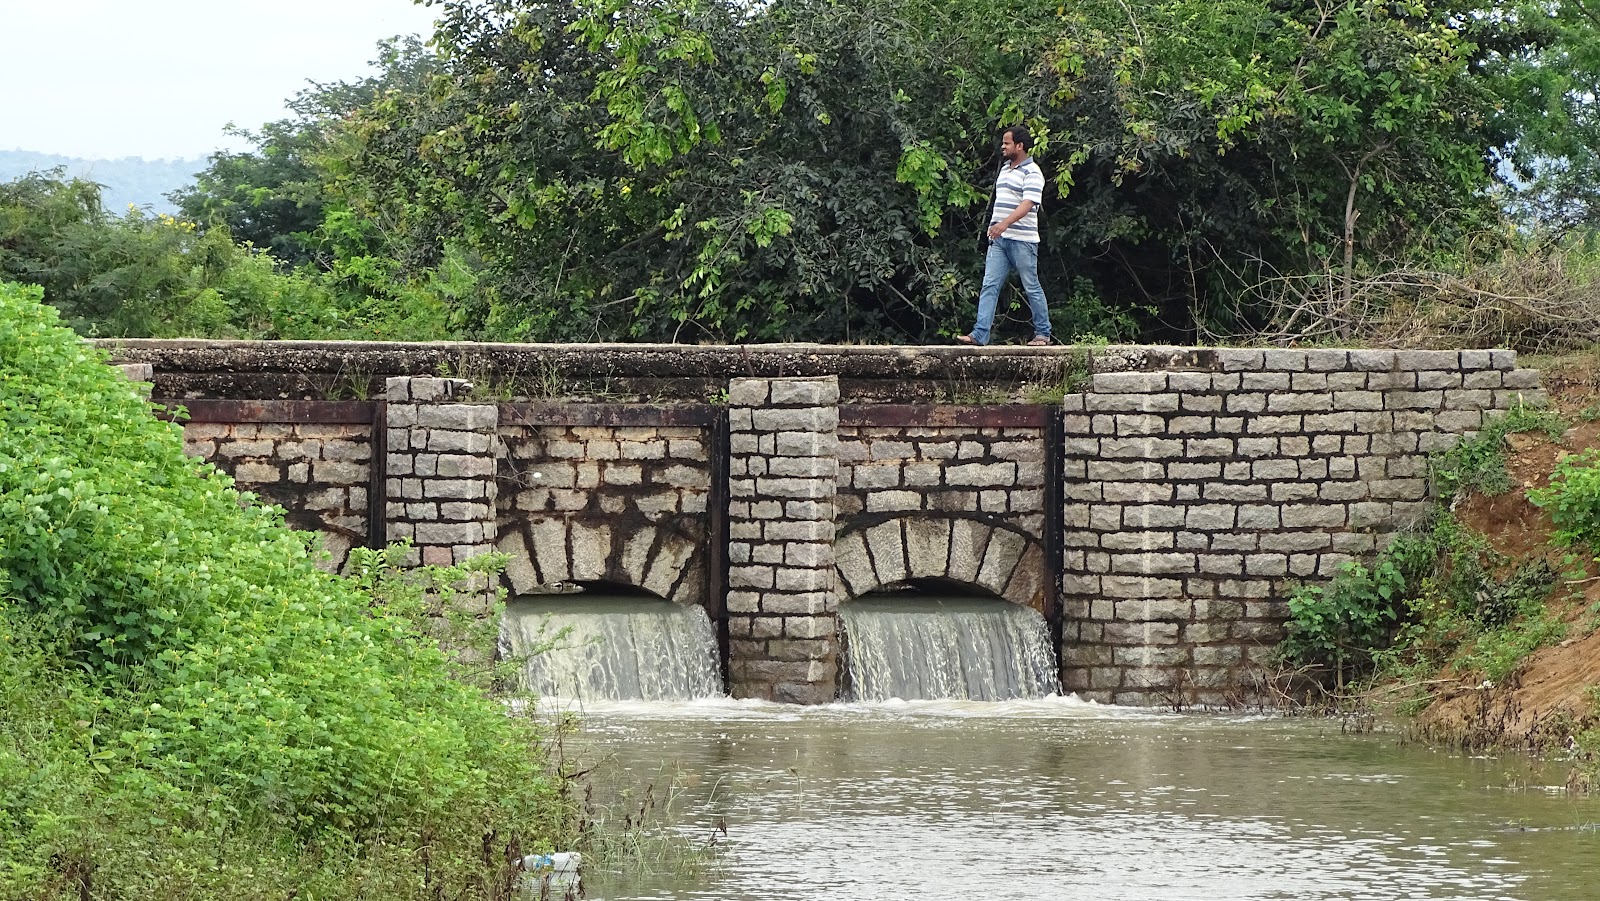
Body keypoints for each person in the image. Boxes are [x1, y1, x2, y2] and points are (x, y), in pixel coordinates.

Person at [958, 125, 1052, 347]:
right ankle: (979, 335)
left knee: (1031, 285)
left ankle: (1043, 334)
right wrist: (997, 227)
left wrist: (1004, 224)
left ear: (1019, 146)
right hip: (999, 239)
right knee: (989, 285)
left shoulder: (1033, 172)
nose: (1003, 146)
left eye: (1007, 143)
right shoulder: (1005, 169)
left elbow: (1029, 204)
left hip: (1023, 240)